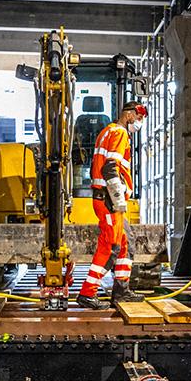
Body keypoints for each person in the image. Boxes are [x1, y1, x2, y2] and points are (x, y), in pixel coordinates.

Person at [77, 101, 148, 309]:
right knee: (111, 247)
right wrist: (117, 200)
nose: (140, 122)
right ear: (129, 115)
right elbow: (110, 169)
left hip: (106, 198)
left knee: (127, 242)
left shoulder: (105, 132)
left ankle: (121, 291)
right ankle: (87, 293)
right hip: (109, 200)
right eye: (139, 117)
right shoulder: (120, 133)